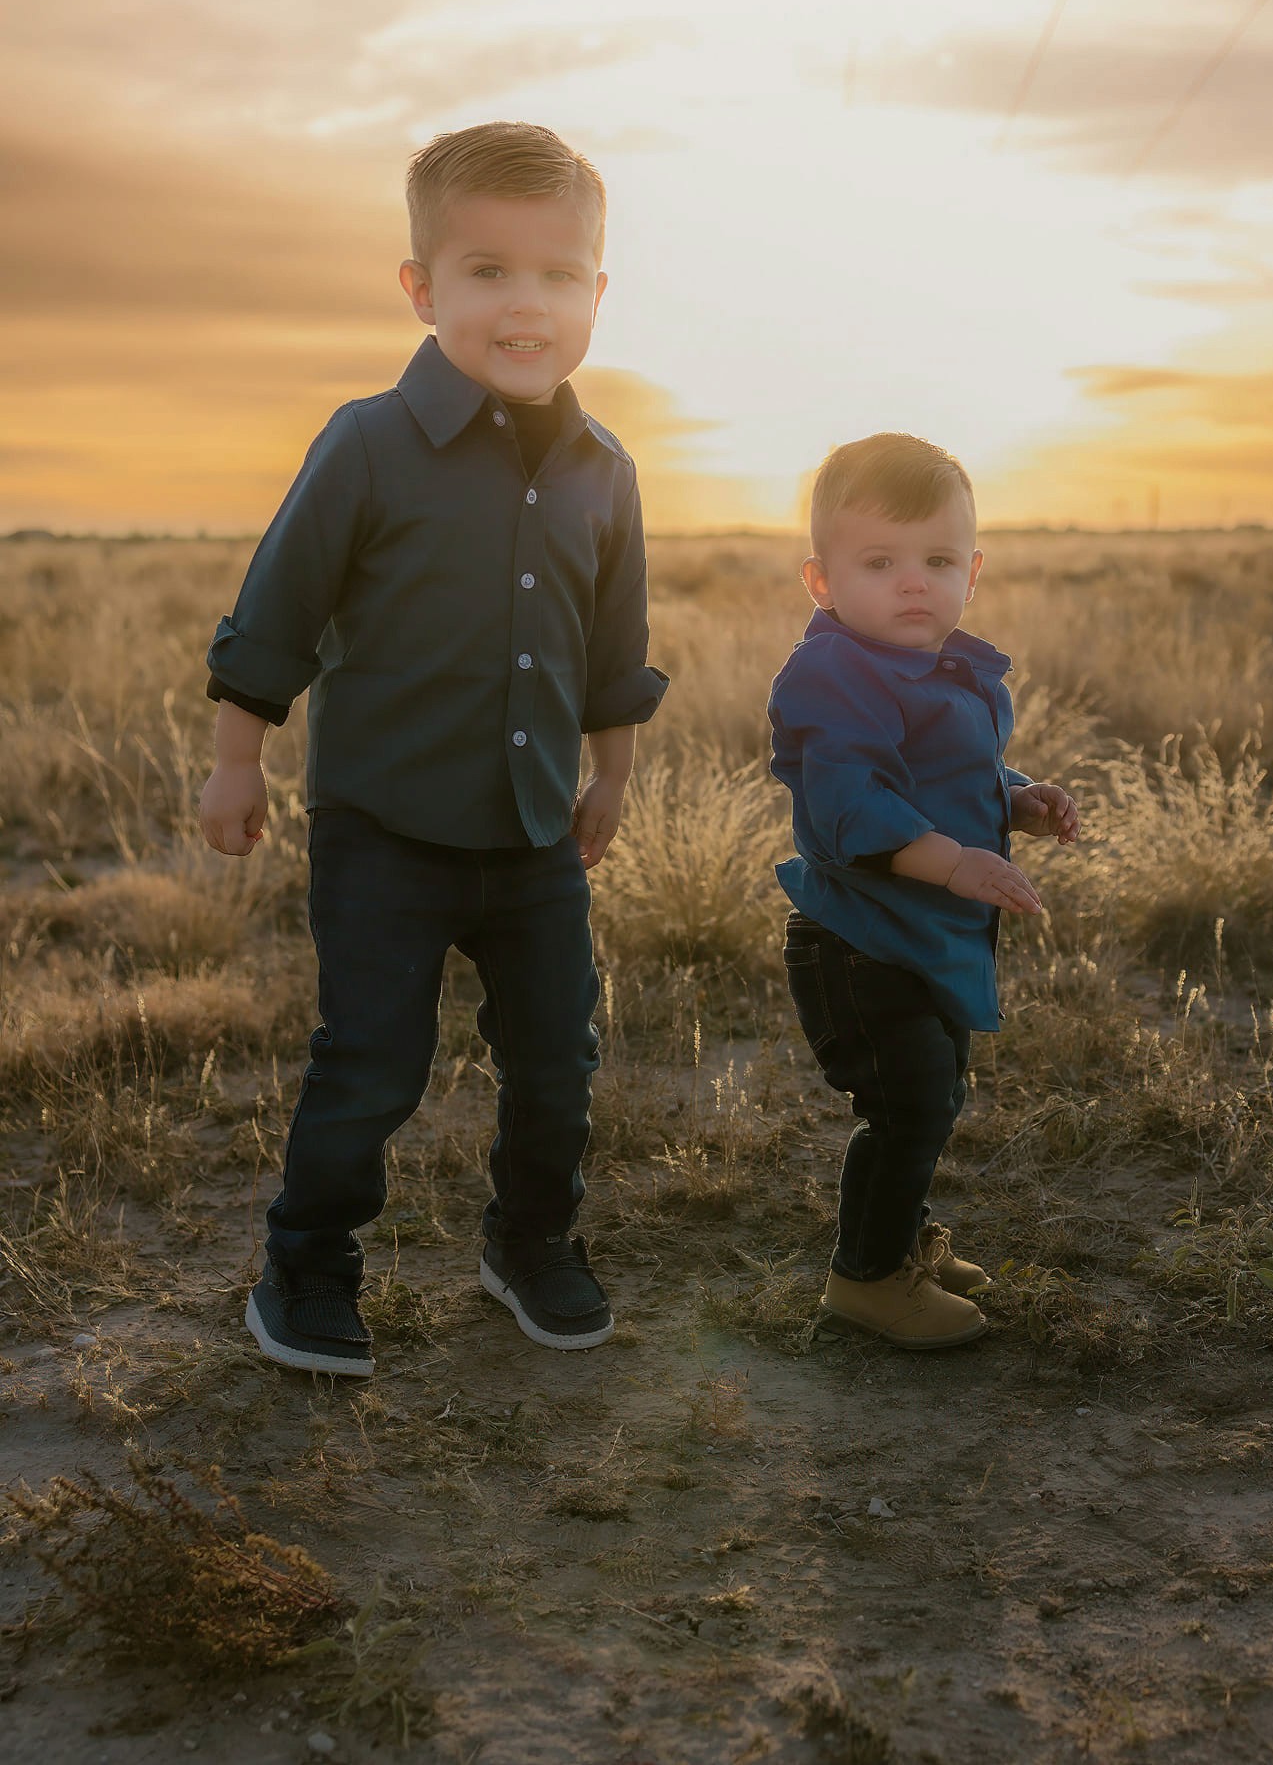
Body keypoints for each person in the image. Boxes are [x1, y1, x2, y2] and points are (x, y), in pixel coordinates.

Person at [198, 122, 666, 1379]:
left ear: (598, 294)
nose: (527, 305)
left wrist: (611, 773)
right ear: (421, 287)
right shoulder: (366, 443)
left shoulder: (605, 469)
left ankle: (529, 1239)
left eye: (560, 276)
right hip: (384, 828)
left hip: (531, 832)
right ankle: (307, 1259)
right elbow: (277, 609)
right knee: (371, 1063)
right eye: (488, 272)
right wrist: (237, 757)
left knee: (557, 1058)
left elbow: (614, 642)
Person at [768, 433, 1078, 1349]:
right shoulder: (834, 675)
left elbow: (952, 771)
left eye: (937, 561)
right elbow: (850, 804)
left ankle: (897, 1240)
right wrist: (952, 862)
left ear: (972, 571)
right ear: (821, 581)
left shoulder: (950, 666)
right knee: (907, 1103)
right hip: (860, 946)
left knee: (934, 1094)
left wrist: (1015, 799)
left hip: (923, 936)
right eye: (880, 563)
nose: (914, 583)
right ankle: (865, 1279)